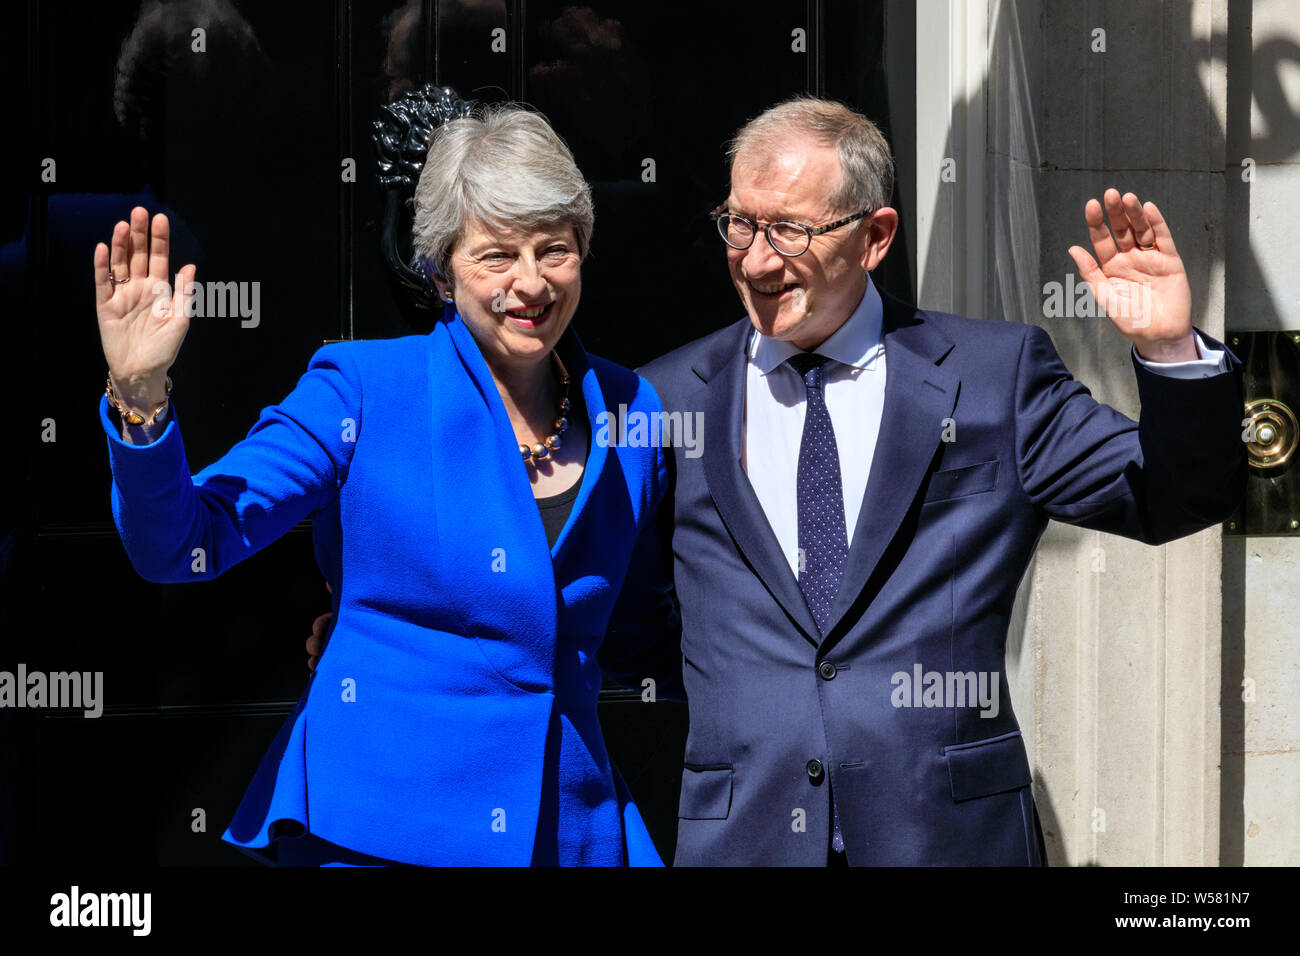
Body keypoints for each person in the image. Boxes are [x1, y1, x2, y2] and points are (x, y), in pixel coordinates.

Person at [628, 96, 1247, 865]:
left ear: (875, 237)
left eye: (788, 229)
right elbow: (627, 620)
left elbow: (1174, 497)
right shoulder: (665, 399)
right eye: (740, 224)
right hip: (745, 835)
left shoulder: (993, 377)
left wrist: (1168, 349)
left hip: (947, 837)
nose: (755, 260)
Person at [94, 105, 674, 866]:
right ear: (440, 269)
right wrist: (140, 395)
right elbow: (183, 543)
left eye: (554, 250)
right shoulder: (363, 389)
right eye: (497, 255)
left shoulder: (634, 412)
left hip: (565, 832)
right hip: (378, 831)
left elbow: (640, 634)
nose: (531, 282)